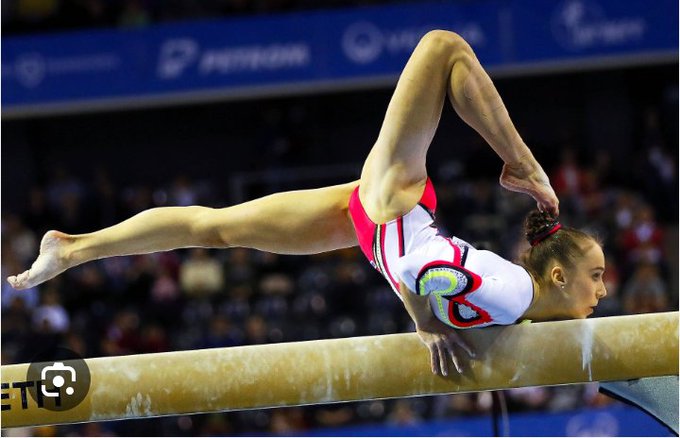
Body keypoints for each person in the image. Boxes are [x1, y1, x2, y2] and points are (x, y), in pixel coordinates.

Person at [7, 30, 607, 376]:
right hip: (392, 210)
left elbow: (425, 272)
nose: (604, 291)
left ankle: (74, 247)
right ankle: (523, 162)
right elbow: (418, 269)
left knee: (217, 231)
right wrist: (423, 323)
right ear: (557, 274)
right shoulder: (516, 293)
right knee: (443, 47)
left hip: (379, 221)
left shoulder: (521, 301)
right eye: (597, 276)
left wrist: (429, 316)